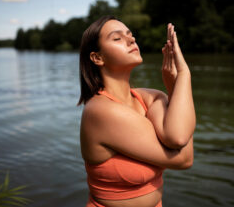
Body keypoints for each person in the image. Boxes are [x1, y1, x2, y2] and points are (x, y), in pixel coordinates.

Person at [78, 15, 196, 207]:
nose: (131, 39)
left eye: (130, 35)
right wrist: (183, 75)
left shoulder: (149, 97)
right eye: (117, 38)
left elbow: (177, 134)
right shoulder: (101, 111)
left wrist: (175, 89)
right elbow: (183, 157)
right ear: (97, 57)